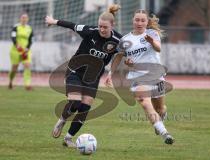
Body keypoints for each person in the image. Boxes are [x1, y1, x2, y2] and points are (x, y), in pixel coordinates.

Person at [45, 4, 122, 147]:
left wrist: (112, 73)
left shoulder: (118, 40)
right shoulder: (90, 31)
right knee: (75, 101)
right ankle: (62, 119)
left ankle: (68, 139)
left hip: (93, 77)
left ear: (113, 25)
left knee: (85, 106)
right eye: (100, 26)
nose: (102, 29)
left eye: (105, 27)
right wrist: (54, 21)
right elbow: (72, 25)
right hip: (76, 70)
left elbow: (121, 54)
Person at [105, 9, 174, 144]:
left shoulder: (152, 33)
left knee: (160, 109)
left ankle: (160, 119)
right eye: (137, 20)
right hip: (137, 77)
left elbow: (158, 48)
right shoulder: (125, 39)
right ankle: (165, 133)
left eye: (143, 20)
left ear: (147, 22)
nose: (139, 23)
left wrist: (152, 42)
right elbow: (118, 57)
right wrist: (110, 73)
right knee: (143, 101)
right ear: (132, 21)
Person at [8, 13, 34, 90]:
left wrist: (27, 48)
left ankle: (27, 85)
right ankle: (10, 81)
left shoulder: (29, 28)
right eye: (23, 17)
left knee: (27, 65)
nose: (24, 19)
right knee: (14, 68)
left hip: (25, 51)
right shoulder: (16, 27)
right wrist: (17, 45)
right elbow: (13, 37)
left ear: (27, 19)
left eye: (26, 18)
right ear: (20, 19)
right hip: (15, 50)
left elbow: (31, 40)